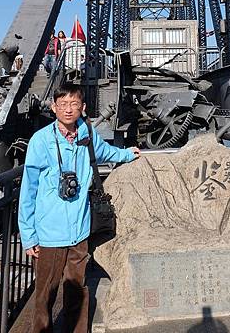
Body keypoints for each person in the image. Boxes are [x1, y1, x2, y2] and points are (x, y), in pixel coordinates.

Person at [18, 82, 141, 333]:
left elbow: (105, 152)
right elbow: (28, 190)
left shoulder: (86, 133)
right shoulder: (41, 141)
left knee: (77, 289)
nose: (68, 109)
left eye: (74, 104)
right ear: (54, 108)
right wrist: (29, 235)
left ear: (82, 108)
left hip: (79, 230)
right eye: (63, 104)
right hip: (50, 232)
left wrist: (128, 154)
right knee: (44, 293)